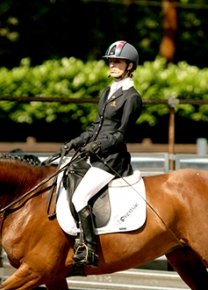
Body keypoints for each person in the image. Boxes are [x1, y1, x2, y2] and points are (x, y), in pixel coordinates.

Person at [61, 40, 143, 268]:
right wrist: (76, 142)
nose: (112, 65)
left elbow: (121, 135)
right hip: (96, 156)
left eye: (117, 61)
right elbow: (96, 126)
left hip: (111, 161)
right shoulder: (108, 91)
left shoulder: (132, 97)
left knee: (79, 197)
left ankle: (88, 248)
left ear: (130, 66)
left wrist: (96, 146)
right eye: (110, 61)